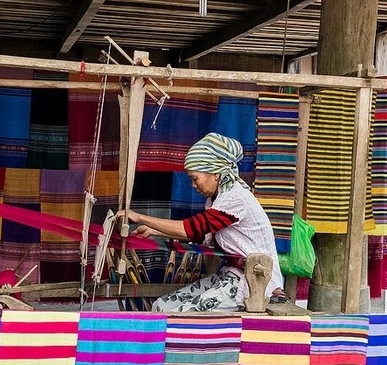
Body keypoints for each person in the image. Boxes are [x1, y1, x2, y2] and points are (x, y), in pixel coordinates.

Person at [117, 132, 285, 312]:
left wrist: (140, 217)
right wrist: (153, 231)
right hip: (232, 275)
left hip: (255, 283)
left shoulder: (236, 199)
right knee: (161, 306)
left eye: (195, 178)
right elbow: (200, 233)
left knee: (179, 314)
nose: (193, 185)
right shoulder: (217, 199)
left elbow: (190, 229)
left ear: (216, 173)